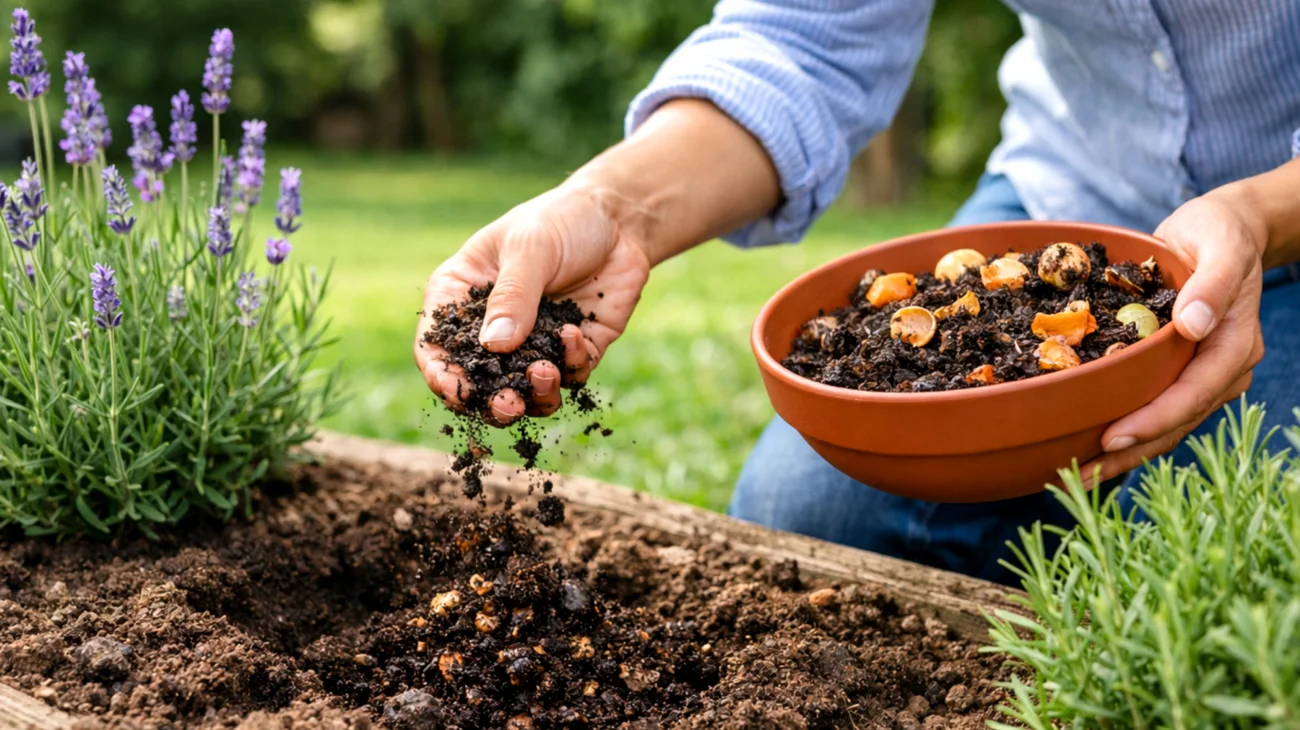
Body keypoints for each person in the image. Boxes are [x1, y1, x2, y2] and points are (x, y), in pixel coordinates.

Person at [413, 1, 1300, 585]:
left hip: (1279, 221)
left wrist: (1260, 214)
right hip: (1066, 196)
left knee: (1211, 565)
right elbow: (806, 38)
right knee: (802, 516)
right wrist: (613, 209)